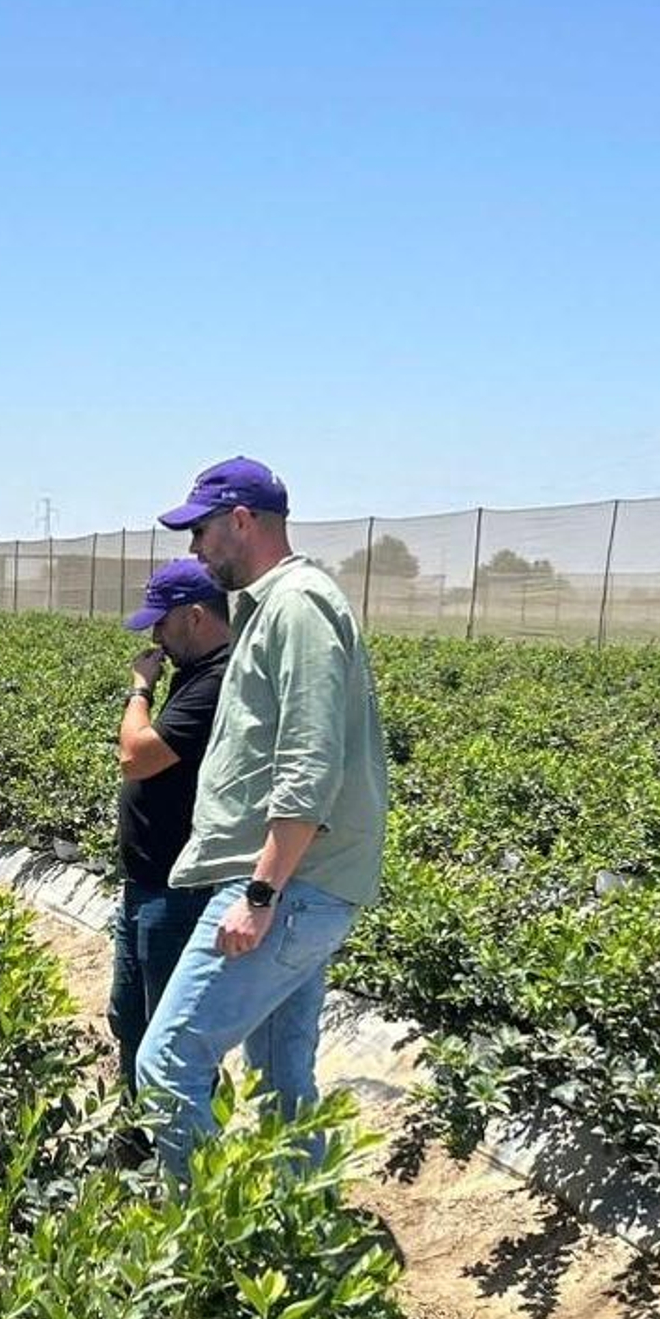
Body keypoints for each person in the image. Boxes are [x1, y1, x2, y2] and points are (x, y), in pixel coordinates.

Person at [134, 456, 389, 1180]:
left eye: (202, 531)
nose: (194, 549)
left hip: (287, 887)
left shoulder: (298, 604)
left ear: (241, 521)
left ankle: (206, 1243)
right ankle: (295, 1230)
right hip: (296, 885)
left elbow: (310, 759)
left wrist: (260, 894)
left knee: (168, 1062)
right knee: (282, 1077)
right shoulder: (269, 607)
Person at [108, 558, 233, 1095]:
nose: (155, 634)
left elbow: (135, 755)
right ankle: (136, 1140)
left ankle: (178, 1160)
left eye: (162, 622)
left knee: (172, 1040)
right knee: (130, 1021)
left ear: (197, 617)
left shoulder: (218, 680)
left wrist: (140, 690)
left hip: (179, 893)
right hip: (146, 885)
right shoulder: (194, 675)